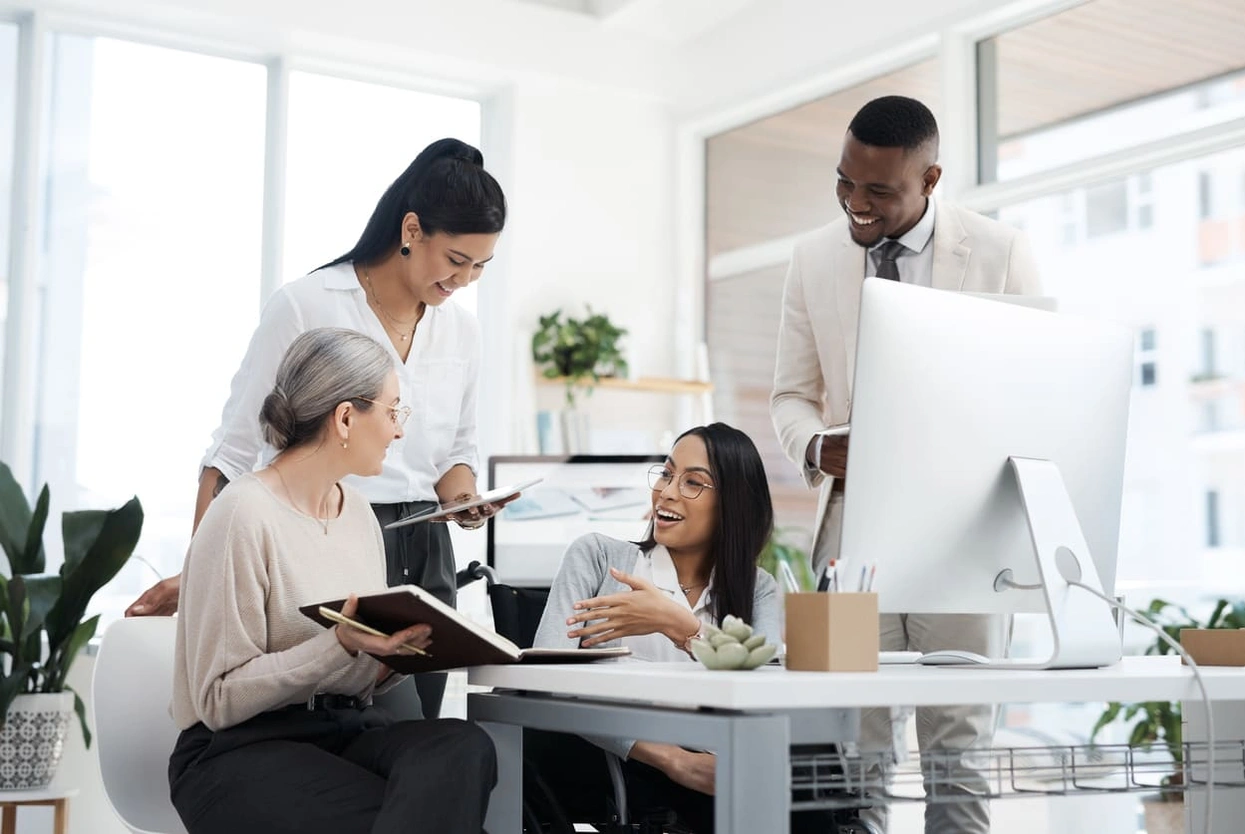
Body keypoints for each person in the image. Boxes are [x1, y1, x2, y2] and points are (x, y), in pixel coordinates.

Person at [128, 137, 508, 719]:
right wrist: (203, 568)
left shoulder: (462, 332)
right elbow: (232, 450)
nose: (465, 280)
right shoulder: (308, 303)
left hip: (425, 548)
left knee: (414, 739)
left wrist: (464, 500)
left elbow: (455, 452)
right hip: (328, 538)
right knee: (330, 726)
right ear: (411, 231)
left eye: (481, 266)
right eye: (456, 261)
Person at [770, 95, 1042, 834]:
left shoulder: (998, 252)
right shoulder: (815, 256)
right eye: (844, 183)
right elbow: (792, 396)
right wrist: (818, 446)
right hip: (856, 535)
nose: (856, 205)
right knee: (855, 747)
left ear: (931, 179)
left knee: (959, 745)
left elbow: (1033, 387)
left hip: (967, 533)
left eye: (879, 191)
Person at [168, 327, 496, 834]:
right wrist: (337, 646)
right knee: (411, 815)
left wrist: (404, 652)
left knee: (463, 745)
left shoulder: (359, 513)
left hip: (344, 730)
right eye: (392, 412)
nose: (399, 431)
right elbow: (218, 702)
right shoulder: (242, 514)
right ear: (346, 417)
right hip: (238, 750)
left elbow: (359, 675)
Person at [529, 423, 838, 834]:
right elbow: (547, 688)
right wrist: (674, 760)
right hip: (625, 760)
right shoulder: (598, 558)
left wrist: (684, 628)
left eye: (693, 482)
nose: (667, 492)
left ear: (732, 504)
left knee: (800, 788)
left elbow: (763, 689)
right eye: (667, 473)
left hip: (724, 757)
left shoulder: (757, 588)